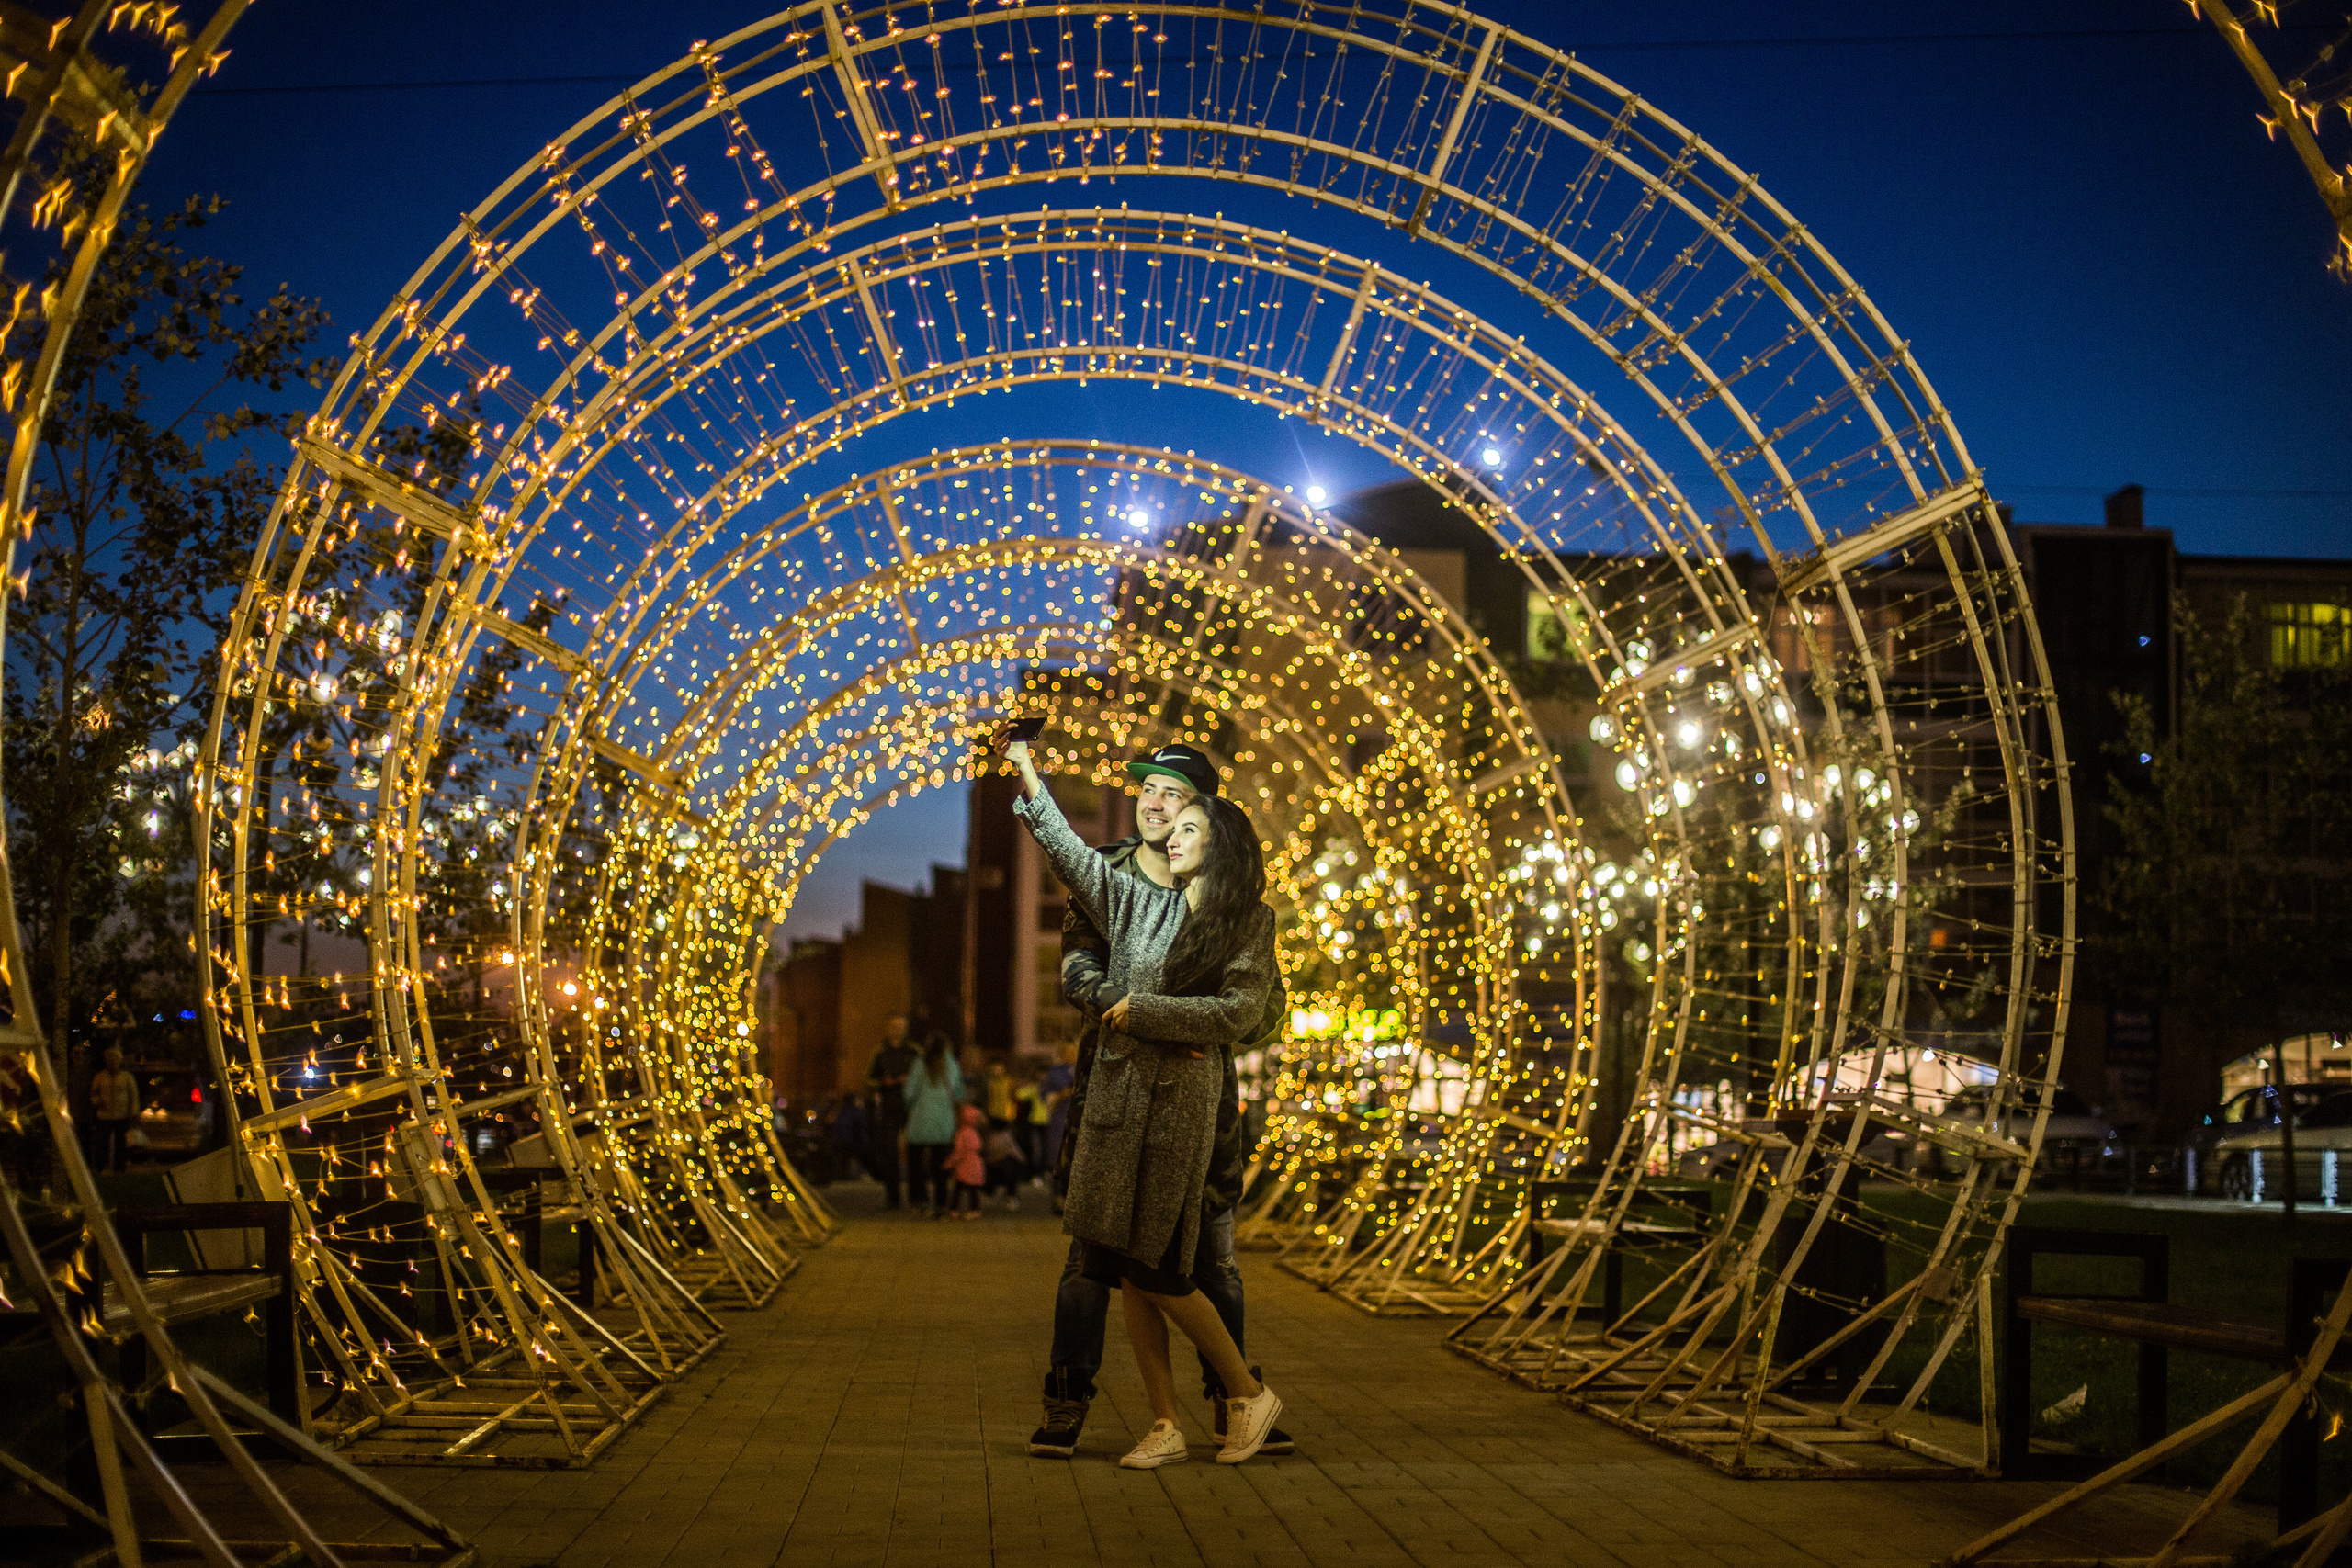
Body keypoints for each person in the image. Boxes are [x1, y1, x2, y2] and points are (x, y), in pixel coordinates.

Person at [1001, 731, 1286, 1468]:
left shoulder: (1242, 915)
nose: (1158, 810)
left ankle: (1240, 1394)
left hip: (1191, 1111)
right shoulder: (1127, 892)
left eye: (1182, 806)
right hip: (1115, 1098)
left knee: (1184, 1263)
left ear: (1213, 826)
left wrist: (1147, 1011)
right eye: (1149, 793)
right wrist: (1026, 765)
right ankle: (1156, 1418)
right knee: (1111, 1262)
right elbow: (1067, 861)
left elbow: (1247, 1011)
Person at [903, 1032, 963, 1218]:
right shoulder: (952, 1065)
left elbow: (909, 1093)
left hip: (920, 1121)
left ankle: (918, 1201)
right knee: (941, 1167)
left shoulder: (920, 1064)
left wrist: (913, 1107)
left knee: (915, 1164)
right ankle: (941, 1203)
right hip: (944, 1124)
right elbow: (959, 1092)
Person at [864, 1014, 918, 1209]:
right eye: (895, 1026)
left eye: (902, 1026)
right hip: (888, 1108)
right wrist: (882, 1083)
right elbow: (868, 1079)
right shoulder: (879, 1052)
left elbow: (921, 1077)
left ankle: (915, 1196)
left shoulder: (913, 1052)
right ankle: (893, 1197)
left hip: (910, 1109)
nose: (898, 1030)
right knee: (890, 1152)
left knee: (914, 1152)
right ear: (888, 1028)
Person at [88, 1046, 140, 1174]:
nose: (112, 1063)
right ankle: (100, 1166)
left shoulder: (126, 1077)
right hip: (104, 1115)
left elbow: (133, 1096)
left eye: (114, 1061)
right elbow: (93, 1094)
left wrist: (133, 1112)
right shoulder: (100, 1077)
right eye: (109, 1061)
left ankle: (119, 1167)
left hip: (122, 1115)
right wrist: (97, 1101)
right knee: (101, 1142)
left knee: (121, 1143)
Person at [947, 1104, 987, 1219]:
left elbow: (959, 1152)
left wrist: (950, 1162)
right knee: (973, 1191)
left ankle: (953, 1210)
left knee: (958, 1190)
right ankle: (975, 1210)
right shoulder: (974, 1133)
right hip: (975, 1165)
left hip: (964, 1167)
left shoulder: (962, 1133)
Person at [983, 1055, 1016, 1128]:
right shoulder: (988, 1082)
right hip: (992, 1115)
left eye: (999, 1068)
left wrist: (1012, 1114)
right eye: (994, 1068)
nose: (997, 1071)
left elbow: (1013, 1098)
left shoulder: (1009, 1082)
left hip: (1005, 1116)